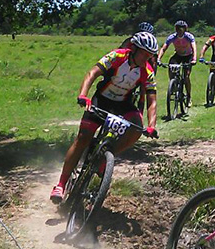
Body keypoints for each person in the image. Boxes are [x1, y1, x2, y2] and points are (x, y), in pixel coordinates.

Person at [50, 32, 159, 203]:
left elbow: (152, 101)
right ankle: (61, 184)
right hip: (101, 100)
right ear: (134, 49)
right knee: (83, 138)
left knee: (137, 129)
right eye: (144, 53)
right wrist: (83, 95)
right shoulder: (117, 56)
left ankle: (105, 157)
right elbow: (92, 73)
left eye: (150, 55)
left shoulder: (147, 71)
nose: (147, 58)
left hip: (124, 105)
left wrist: (152, 125)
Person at [158, 20, 196, 106]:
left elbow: (194, 48)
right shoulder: (172, 37)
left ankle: (189, 96)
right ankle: (173, 83)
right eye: (178, 28)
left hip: (188, 56)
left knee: (186, 76)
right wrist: (158, 59)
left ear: (185, 29)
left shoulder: (189, 37)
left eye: (182, 28)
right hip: (178, 55)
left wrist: (194, 59)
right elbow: (164, 48)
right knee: (171, 64)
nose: (180, 30)